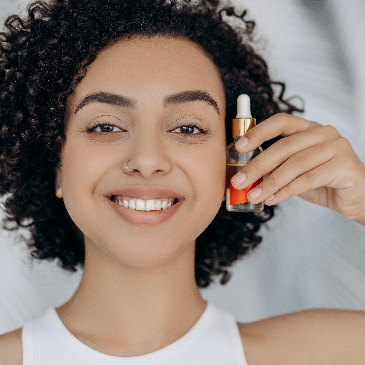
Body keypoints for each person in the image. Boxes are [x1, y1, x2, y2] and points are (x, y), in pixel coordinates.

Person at [0, 0, 364, 364]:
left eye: (188, 128)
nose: (146, 160)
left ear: (234, 164)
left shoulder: (329, 352)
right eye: (105, 126)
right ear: (57, 166)